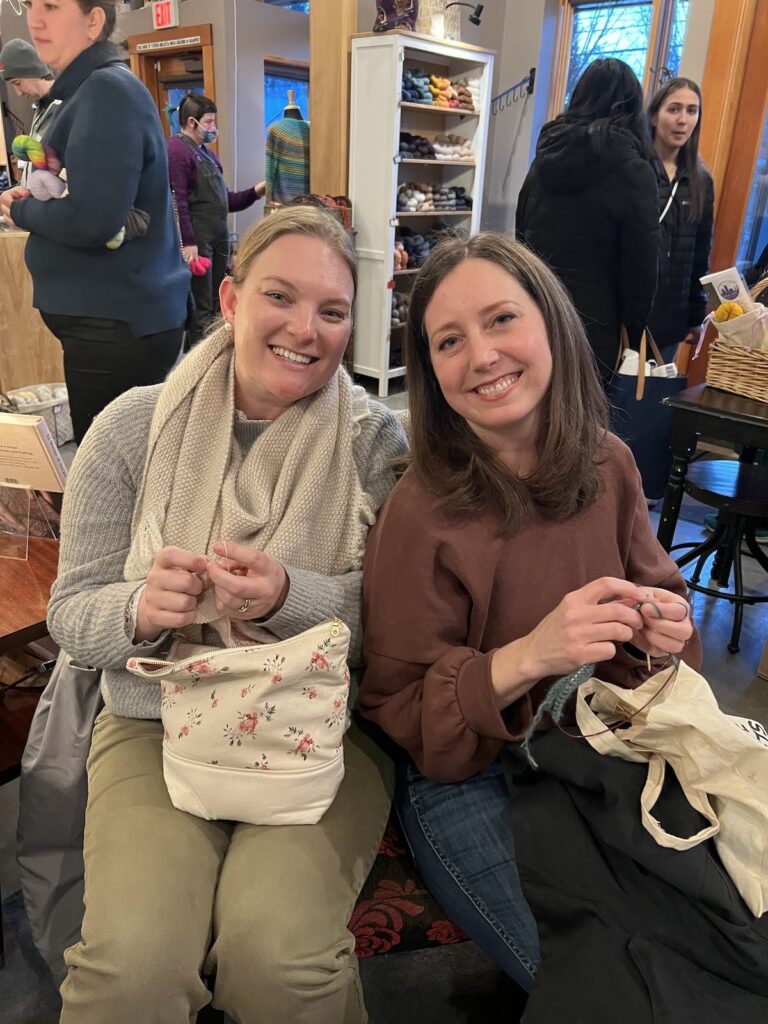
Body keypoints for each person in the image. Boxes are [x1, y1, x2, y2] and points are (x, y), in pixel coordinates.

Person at [47, 205, 408, 1023]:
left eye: (333, 311)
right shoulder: (133, 427)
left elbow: (401, 628)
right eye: (281, 297)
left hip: (324, 726)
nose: (305, 330)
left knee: (278, 959)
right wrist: (141, 607)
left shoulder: (374, 444)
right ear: (235, 300)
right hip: (156, 714)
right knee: (131, 969)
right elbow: (71, 610)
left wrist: (290, 597)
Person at [358, 232, 699, 991]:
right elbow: (400, 710)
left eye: (502, 319)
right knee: (596, 988)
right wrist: (532, 655)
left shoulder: (608, 460)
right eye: (449, 340)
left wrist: (661, 631)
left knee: (712, 934)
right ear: (430, 370)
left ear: (551, 323)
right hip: (471, 777)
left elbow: (663, 601)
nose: (481, 356)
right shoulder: (418, 510)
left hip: (603, 745)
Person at [0, 0, 188, 446]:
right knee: (114, 468)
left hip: (114, 323)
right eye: (32, 5)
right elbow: (91, 198)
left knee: (106, 480)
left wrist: (20, 210)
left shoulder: (106, 91)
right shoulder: (88, 91)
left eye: (52, 6)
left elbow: (93, 220)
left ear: (93, 21)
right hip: (110, 320)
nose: (35, 19)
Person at [516, 58, 659, 382]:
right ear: (633, 107)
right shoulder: (634, 171)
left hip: (540, 309)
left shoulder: (543, 159)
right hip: (597, 324)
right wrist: (634, 332)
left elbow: (521, 238)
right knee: (589, 419)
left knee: (536, 408)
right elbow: (641, 264)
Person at [167, 92, 266, 345]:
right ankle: (197, 365)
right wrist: (188, 243)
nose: (213, 128)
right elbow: (177, 201)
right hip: (199, 243)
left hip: (219, 239)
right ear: (192, 122)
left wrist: (257, 191)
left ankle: (214, 356)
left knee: (217, 303)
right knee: (201, 308)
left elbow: (227, 201)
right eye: (209, 122)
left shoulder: (208, 155)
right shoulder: (177, 151)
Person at [647, 77, 715, 362]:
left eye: (691, 111)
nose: (682, 120)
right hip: (629, 315)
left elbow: (700, 253)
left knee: (653, 400)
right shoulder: (635, 171)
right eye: (673, 109)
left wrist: (695, 316)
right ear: (653, 116)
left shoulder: (700, 181)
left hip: (671, 319)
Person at [0, 37, 61, 184]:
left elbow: (62, 177)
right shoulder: (42, 107)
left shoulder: (63, 107)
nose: (18, 93)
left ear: (33, 71)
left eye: (18, 83)